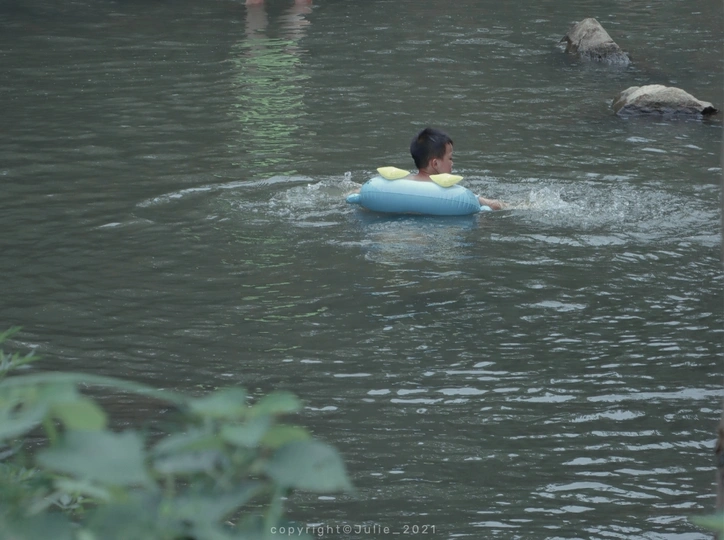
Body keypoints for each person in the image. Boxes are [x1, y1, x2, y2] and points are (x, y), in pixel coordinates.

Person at [407, 127, 505, 210]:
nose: (452, 163)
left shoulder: (406, 182)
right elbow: (492, 204)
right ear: (435, 163)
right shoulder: (450, 192)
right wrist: (501, 205)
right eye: (450, 158)